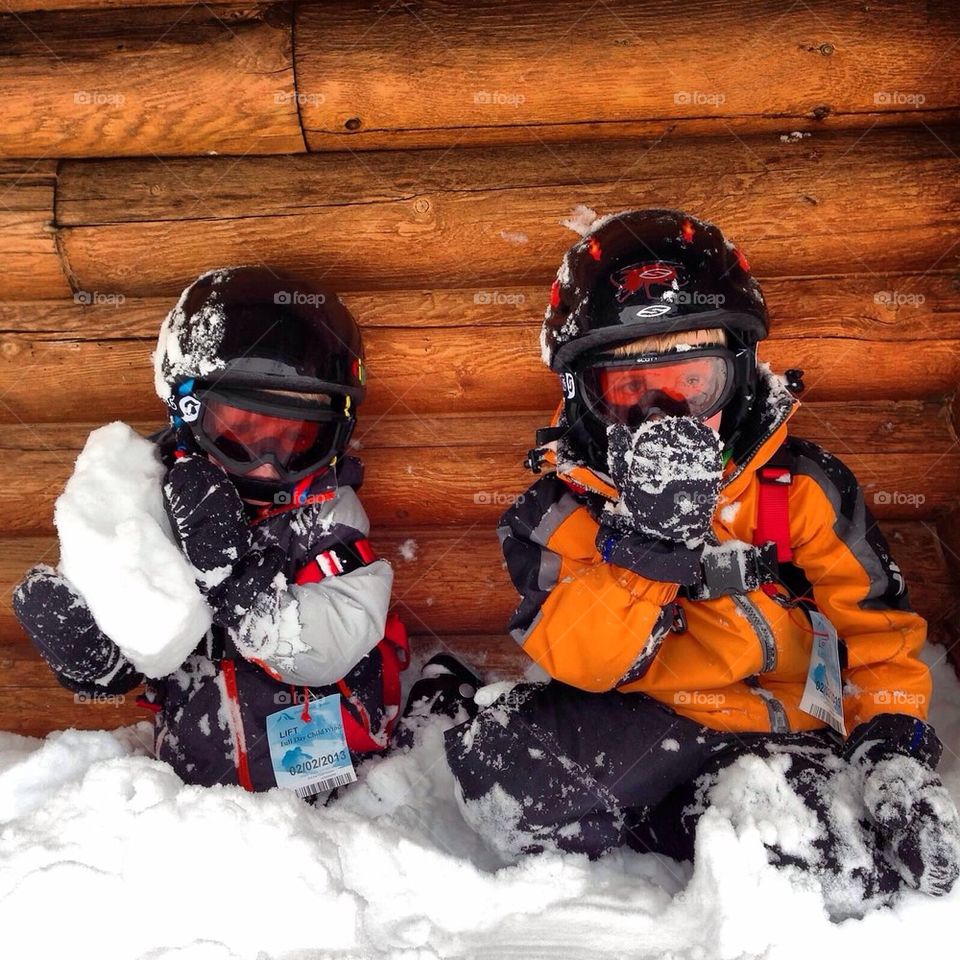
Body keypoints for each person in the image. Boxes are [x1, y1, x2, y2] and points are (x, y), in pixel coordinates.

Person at [443, 209, 960, 909]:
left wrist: (890, 742)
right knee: (500, 768)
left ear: (738, 377)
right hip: (647, 716)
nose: (666, 416)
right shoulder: (558, 511)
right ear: (587, 401)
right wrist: (643, 556)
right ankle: (676, 811)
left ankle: (712, 813)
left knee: (828, 867)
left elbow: (877, 632)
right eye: (630, 392)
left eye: (694, 384)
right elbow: (581, 660)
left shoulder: (799, 486)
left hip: (783, 722)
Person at [13, 266, 477, 796]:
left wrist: (237, 578)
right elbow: (144, 625)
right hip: (200, 780)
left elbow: (329, 645)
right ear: (188, 414)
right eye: (241, 433)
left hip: (338, 776)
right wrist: (107, 661)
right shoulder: (149, 507)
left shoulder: (325, 516)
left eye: (296, 439)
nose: (266, 467)